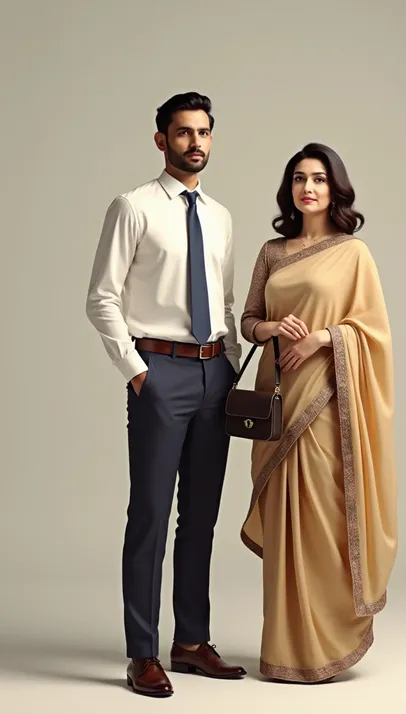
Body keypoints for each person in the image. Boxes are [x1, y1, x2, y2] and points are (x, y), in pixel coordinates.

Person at [86, 91, 246, 698]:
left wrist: (228, 369)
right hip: (159, 371)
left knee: (200, 516)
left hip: (213, 374)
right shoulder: (133, 207)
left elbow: (225, 304)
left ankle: (191, 641)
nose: (195, 143)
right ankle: (141, 652)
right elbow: (102, 295)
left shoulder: (221, 216)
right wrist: (135, 370)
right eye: (182, 133)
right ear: (161, 140)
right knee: (150, 516)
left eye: (203, 132)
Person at [240, 143, 397, 683]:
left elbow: (372, 328)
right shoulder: (273, 251)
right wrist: (271, 330)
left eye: (319, 179)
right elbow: (249, 320)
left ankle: (327, 639)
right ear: (289, 189)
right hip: (279, 402)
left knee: (325, 521)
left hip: (329, 403)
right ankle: (285, 647)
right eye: (299, 179)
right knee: (287, 522)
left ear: (335, 189)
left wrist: (325, 338)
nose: (308, 188)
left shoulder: (354, 253)